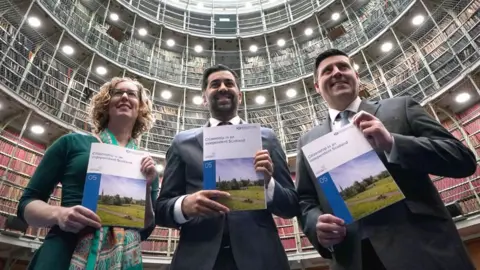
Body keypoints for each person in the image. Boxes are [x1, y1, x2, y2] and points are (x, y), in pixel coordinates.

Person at [295, 49, 477, 270]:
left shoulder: (400, 107)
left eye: (343, 67)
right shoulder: (307, 142)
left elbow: (461, 158)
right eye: (327, 71)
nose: (336, 73)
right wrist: (316, 224)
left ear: (356, 75)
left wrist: (392, 142)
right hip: (353, 257)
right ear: (317, 87)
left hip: (421, 250)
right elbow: (305, 200)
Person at [155, 64, 299, 270]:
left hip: (262, 258)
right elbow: (161, 210)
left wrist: (268, 184)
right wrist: (184, 205)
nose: (223, 87)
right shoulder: (181, 142)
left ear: (239, 96)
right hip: (197, 259)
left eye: (229, 83)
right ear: (204, 98)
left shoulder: (266, 137)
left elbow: (292, 206)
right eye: (215, 84)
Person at [17, 77, 160, 270]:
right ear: (106, 103)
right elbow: (27, 204)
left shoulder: (146, 165)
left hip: (124, 257)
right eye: (118, 92)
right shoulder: (71, 143)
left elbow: (146, 228)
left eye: (132, 94)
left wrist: (147, 186)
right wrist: (59, 214)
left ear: (141, 107)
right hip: (62, 253)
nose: (125, 96)